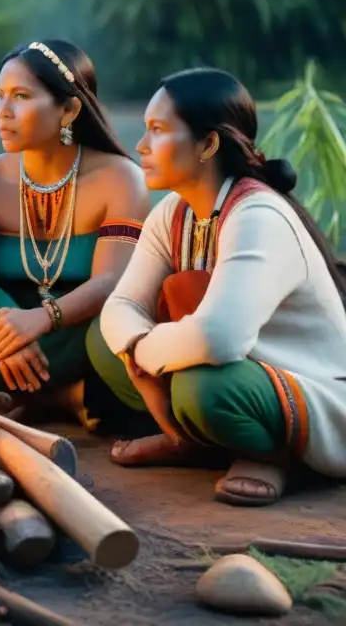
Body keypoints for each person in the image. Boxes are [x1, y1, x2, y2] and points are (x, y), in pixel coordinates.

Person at [97, 67, 346, 506]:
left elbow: (219, 339)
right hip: (223, 363)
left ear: (208, 144)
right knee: (103, 346)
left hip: (308, 389)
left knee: (202, 388)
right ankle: (197, 440)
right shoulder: (174, 212)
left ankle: (271, 455)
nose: (141, 146)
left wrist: (140, 352)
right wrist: (135, 349)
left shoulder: (258, 215)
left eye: (157, 130)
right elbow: (121, 305)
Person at [0, 40, 149, 426]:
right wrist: (6, 336)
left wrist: (43, 319)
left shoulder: (120, 178)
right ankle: (66, 398)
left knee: (112, 326)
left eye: (21, 96)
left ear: (68, 109)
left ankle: (42, 399)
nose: (3, 111)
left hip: (74, 333)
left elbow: (111, 280)